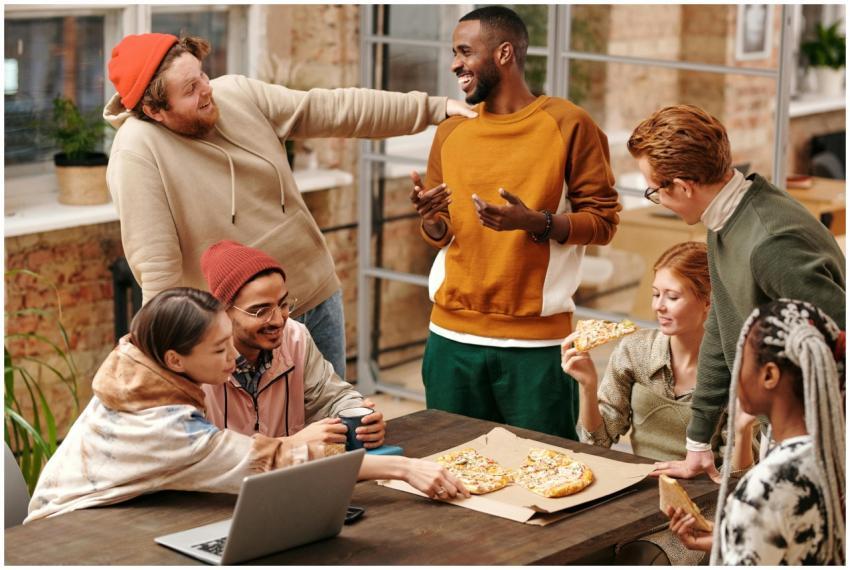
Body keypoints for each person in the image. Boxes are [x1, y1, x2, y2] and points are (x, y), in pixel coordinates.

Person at [104, 33, 476, 380]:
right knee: (269, 442)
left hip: (315, 293)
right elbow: (157, 270)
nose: (206, 91)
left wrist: (433, 108)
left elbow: (331, 109)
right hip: (241, 329)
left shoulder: (235, 93)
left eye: (202, 75)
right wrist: (169, 361)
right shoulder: (137, 153)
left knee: (335, 426)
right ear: (154, 110)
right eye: (190, 89)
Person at [25, 288, 468, 523]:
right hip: (70, 533)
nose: (233, 358)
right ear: (175, 359)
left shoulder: (140, 371)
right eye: (219, 350)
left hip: (126, 512)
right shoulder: (165, 426)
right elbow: (276, 461)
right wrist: (405, 469)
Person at [410, 6, 621, 439]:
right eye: (454, 52)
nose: (455, 64)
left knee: (544, 479)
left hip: (536, 348)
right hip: (451, 339)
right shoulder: (451, 131)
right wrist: (431, 219)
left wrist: (537, 223)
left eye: (465, 52)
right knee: (453, 472)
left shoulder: (569, 124)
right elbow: (442, 234)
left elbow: (603, 222)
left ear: (504, 53)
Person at [627, 104, 845, 481]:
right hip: (788, 427)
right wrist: (698, 443)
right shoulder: (725, 218)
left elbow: (840, 343)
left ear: (682, 186)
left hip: (819, 438)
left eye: (653, 190)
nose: (656, 199)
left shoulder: (770, 244)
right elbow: (722, 325)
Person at [562, 241, 756, 565]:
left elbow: (738, 481)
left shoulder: (739, 367)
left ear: (709, 302)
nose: (659, 307)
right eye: (656, 294)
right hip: (637, 495)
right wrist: (587, 385)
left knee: (645, 557)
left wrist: (744, 428)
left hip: (704, 505)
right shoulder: (633, 351)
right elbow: (596, 441)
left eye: (673, 296)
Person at [666, 299, 845, 565]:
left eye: (740, 360)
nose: (734, 374)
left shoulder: (768, 485)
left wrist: (745, 525)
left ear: (769, 375)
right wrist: (732, 537)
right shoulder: (831, 454)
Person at [199, 240, 386, 451]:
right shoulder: (194, 362)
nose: (278, 320)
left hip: (293, 478)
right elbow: (199, 453)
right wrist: (290, 444)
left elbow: (330, 396)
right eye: (261, 311)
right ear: (223, 311)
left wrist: (357, 413)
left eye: (283, 304)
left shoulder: (295, 337)